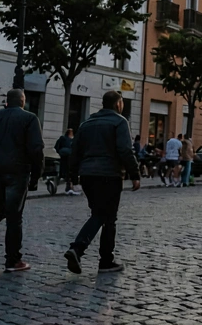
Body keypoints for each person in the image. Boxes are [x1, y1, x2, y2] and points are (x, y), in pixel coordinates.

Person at [63, 91, 141, 274]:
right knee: (107, 217)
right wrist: (135, 174)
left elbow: (75, 151)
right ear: (118, 104)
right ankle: (94, 256)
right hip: (109, 174)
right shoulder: (119, 122)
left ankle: (89, 254)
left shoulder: (86, 124)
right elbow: (125, 150)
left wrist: (73, 176)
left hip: (87, 175)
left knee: (99, 214)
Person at [0, 88, 44, 272]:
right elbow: (36, 149)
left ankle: (13, 260)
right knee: (14, 217)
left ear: (7, 101)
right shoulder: (29, 118)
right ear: (22, 101)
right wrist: (36, 176)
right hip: (17, 172)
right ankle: (13, 260)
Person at [55, 128, 76, 196]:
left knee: (68, 173)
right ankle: (69, 187)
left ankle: (70, 187)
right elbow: (57, 147)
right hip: (67, 158)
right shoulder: (64, 138)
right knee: (68, 172)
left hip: (68, 158)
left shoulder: (73, 139)